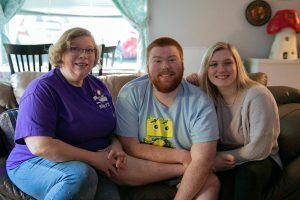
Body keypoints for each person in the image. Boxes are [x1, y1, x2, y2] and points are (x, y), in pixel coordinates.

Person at [6, 28, 188, 200]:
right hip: (34, 162)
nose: (83, 55)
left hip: (90, 164)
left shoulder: (98, 86)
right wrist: (95, 159)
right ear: (61, 54)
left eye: (89, 50)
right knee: (79, 177)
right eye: (75, 49)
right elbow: (41, 147)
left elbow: (110, 127)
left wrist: (116, 145)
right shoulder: (42, 89)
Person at [115, 37, 220, 200]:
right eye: (157, 61)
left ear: (182, 64)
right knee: (119, 167)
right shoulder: (131, 93)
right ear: (147, 67)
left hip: (186, 170)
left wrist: (197, 165)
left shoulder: (201, 101)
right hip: (143, 166)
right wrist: (182, 157)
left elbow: (202, 159)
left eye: (172, 59)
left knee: (211, 182)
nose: (165, 66)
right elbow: (131, 147)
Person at [187, 42, 282, 200]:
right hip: (225, 160)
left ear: (237, 66)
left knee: (246, 176)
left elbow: (259, 149)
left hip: (261, 160)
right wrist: (189, 83)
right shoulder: (207, 96)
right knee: (220, 184)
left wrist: (213, 159)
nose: (221, 69)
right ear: (206, 69)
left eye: (228, 63)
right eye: (213, 64)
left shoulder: (258, 95)